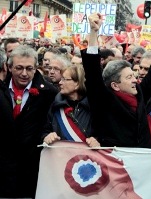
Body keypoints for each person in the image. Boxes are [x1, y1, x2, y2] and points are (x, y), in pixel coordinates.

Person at [81, 12, 151, 147]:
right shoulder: (104, 99)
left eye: (133, 76)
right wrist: (93, 32)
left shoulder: (139, 93)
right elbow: (92, 74)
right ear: (115, 85)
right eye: (129, 77)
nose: (135, 80)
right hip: (114, 161)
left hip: (140, 159)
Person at [0, 45, 58, 197]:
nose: (24, 73)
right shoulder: (1, 87)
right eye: (19, 68)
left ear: (36, 68)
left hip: (31, 167)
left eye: (29, 68)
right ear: (9, 67)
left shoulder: (49, 93)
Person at [42, 65, 100, 147]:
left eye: (64, 79)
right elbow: (45, 131)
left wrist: (97, 141)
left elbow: (105, 135)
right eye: (61, 79)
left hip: (87, 158)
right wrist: (47, 137)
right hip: (61, 157)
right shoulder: (55, 105)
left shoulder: (93, 107)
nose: (60, 82)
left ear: (77, 83)